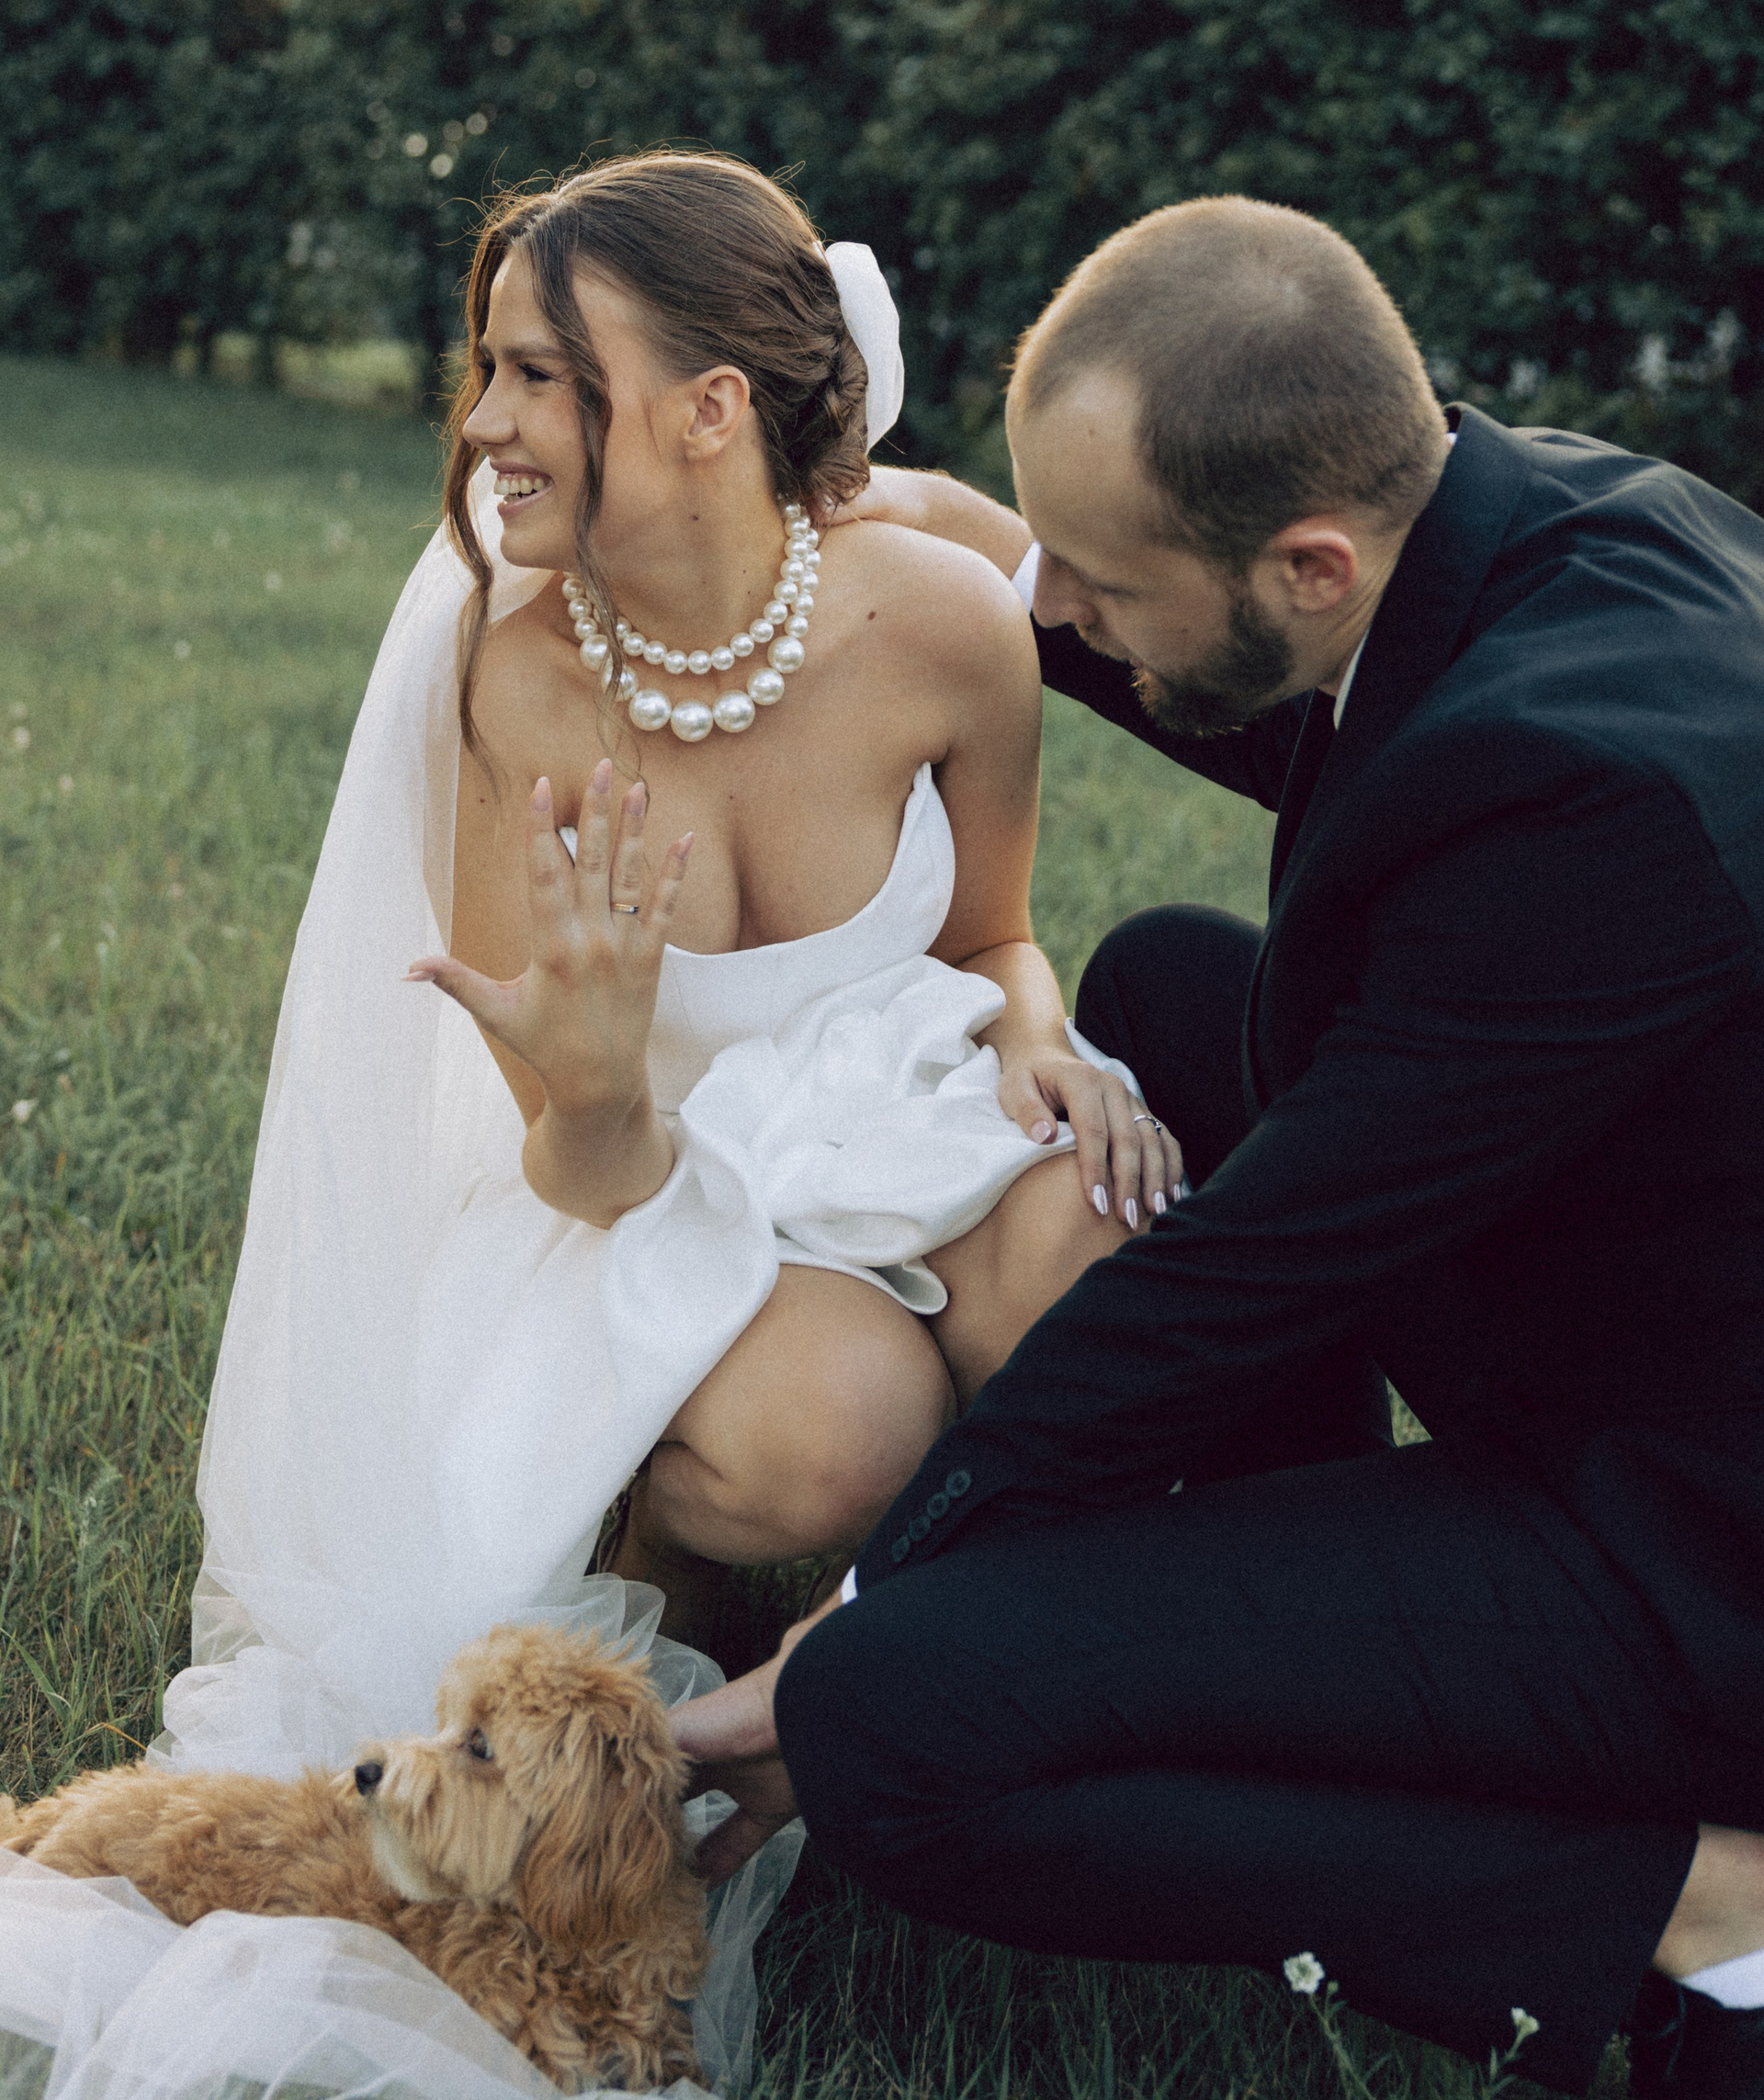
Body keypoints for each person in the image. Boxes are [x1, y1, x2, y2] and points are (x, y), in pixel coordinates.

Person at [0, 152, 1168, 2091]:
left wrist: (1040, 1033)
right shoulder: (521, 679)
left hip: (892, 1117)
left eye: (542, 375)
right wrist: (609, 1076)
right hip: (646, 1191)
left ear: (712, 409)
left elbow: (995, 930)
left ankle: (1035, 1715)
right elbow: (569, 1152)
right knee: (840, 1433)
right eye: (490, 369)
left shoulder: (951, 623)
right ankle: (681, 1560)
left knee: (1099, 1255)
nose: (484, 423)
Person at [671, 193, 1764, 2100]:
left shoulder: (1591, 812)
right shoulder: (1546, 526)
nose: (1049, 618)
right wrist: (957, 530)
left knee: (888, 1730)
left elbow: (1242, 1281)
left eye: (1097, 577)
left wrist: (871, 1603)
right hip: (1640, 1332)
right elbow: (1302, 709)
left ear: (1311, 562)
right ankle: (1299, 1630)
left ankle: (1694, 1912)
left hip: (1704, 1559)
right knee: (1178, 989)